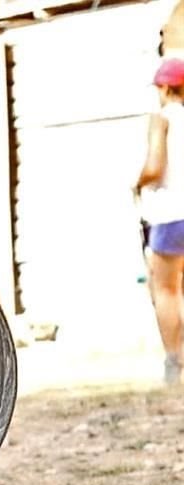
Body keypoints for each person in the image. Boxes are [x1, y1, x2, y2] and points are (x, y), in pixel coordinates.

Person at [134, 57, 184, 385]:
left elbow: (155, 166)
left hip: (170, 215)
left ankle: (173, 362)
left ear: (166, 88)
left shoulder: (162, 119)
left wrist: (136, 183)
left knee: (165, 290)